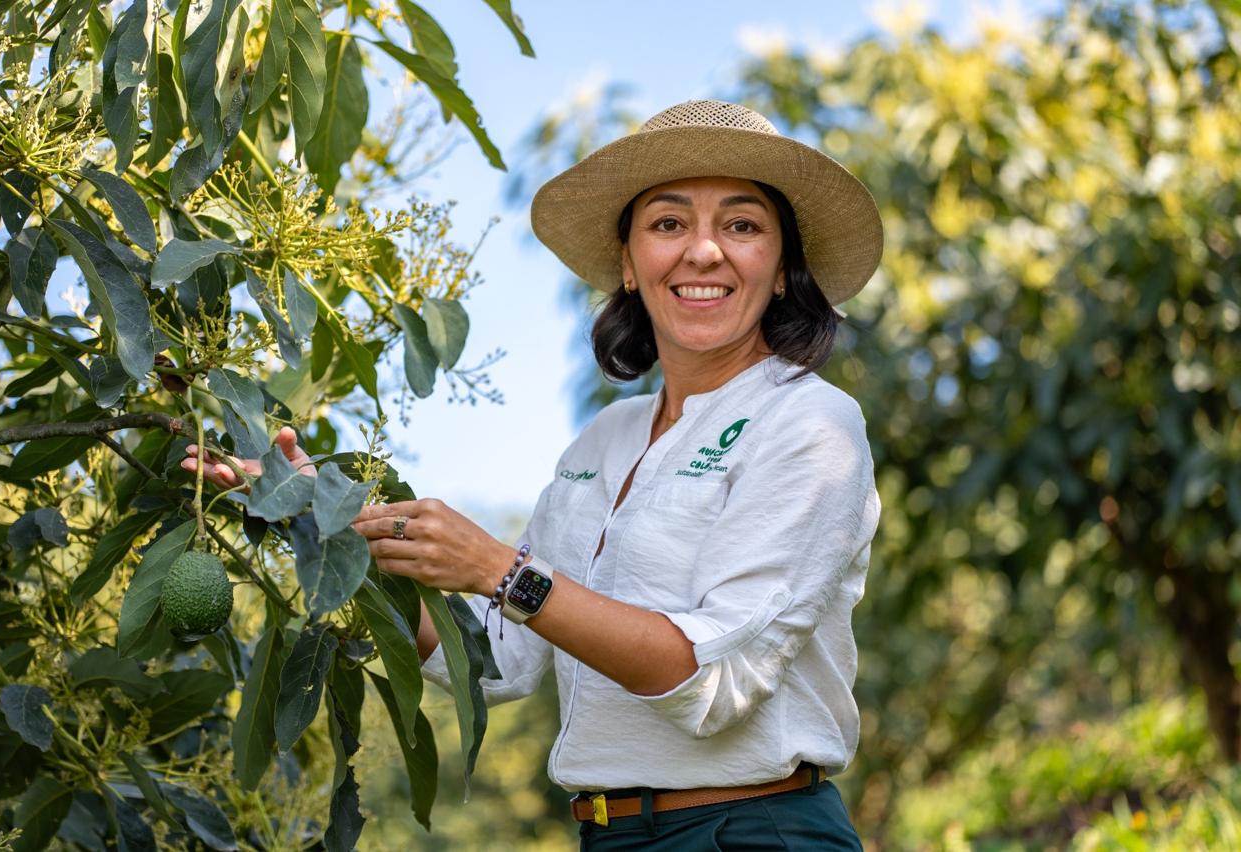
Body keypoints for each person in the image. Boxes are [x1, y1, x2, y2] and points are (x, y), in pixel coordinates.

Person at [184, 100, 882, 850]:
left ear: (782, 271)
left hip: (751, 831)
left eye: (742, 226)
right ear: (627, 261)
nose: (703, 252)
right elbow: (501, 659)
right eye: (669, 223)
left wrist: (497, 567)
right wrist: (314, 525)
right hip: (609, 834)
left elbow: (711, 684)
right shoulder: (605, 439)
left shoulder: (809, 425)